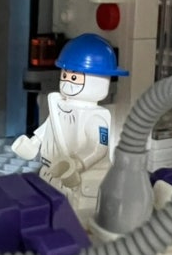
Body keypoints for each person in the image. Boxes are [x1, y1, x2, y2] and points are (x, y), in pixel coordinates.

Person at [12, 33, 128, 218]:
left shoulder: (96, 117)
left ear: (100, 80)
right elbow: (49, 127)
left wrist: (78, 164)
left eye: (74, 77)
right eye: (65, 75)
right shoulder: (60, 106)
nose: (67, 81)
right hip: (52, 172)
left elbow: (98, 148)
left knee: (76, 218)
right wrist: (33, 143)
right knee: (50, 211)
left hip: (79, 180)